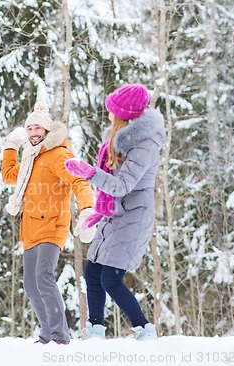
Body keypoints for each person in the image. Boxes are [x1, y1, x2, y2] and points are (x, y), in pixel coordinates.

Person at [64, 83, 166, 341]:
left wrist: (89, 173)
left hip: (133, 217)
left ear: (124, 114)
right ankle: (95, 331)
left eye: (113, 110)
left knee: (111, 277)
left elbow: (122, 185)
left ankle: (145, 329)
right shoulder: (120, 140)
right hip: (115, 214)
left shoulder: (144, 146)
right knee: (92, 272)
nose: (109, 114)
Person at [1, 102, 95, 345]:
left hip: (53, 225)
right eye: (29, 128)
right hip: (30, 227)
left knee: (43, 276)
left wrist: (87, 209)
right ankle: (46, 334)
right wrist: (11, 146)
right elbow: (9, 175)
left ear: (46, 131)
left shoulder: (58, 154)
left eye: (37, 128)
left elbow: (79, 182)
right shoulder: (31, 158)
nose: (33, 133)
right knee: (31, 285)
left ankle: (59, 336)